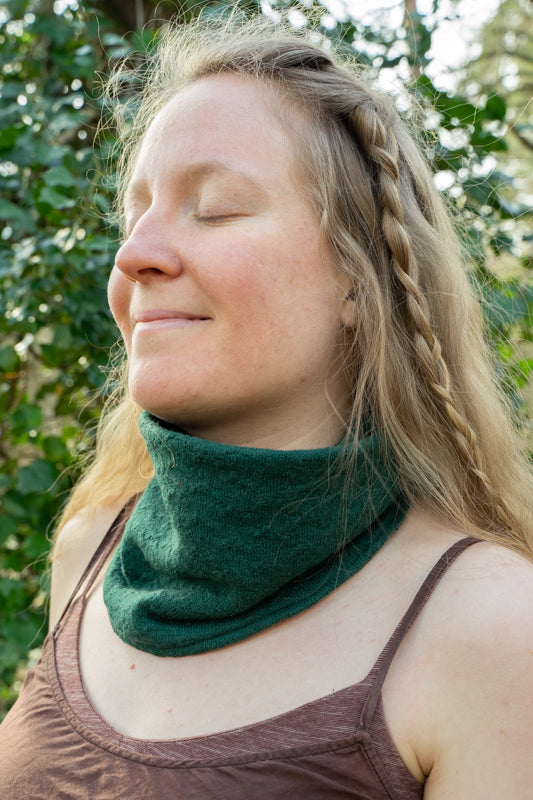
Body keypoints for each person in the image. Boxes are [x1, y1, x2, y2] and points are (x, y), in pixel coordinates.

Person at [0, 15, 532, 799]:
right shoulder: (90, 552)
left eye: (214, 208)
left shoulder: (489, 629)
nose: (133, 254)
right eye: (133, 216)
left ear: (357, 276)